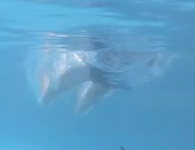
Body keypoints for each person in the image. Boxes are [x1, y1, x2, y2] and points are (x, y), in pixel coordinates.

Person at [27, 34, 174, 115]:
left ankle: (70, 108)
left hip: (123, 50)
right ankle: (49, 94)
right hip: (111, 46)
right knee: (98, 75)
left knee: (103, 79)